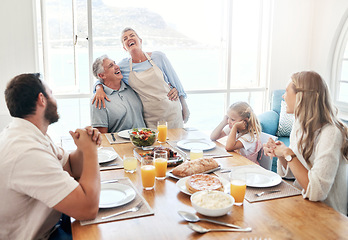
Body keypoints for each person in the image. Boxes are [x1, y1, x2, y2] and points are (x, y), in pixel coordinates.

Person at [0, 73, 102, 239]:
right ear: (42, 99)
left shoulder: (29, 133)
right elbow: (88, 209)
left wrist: (84, 147)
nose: (55, 100)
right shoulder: (26, 151)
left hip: (53, 227)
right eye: (52, 93)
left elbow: (69, 167)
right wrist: (91, 151)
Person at [263, 71, 348, 215]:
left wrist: (288, 153)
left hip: (328, 215)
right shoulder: (299, 123)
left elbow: (317, 192)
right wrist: (281, 153)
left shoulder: (331, 133)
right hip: (302, 203)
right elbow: (292, 175)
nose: (283, 97)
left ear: (301, 96)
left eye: (286, 91)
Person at [92, 27, 190, 129]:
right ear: (124, 48)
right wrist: (98, 88)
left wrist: (184, 107)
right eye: (125, 39)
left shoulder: (158, 57)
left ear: (140, 41)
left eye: (132, 35)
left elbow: (175, 82)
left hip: (173, 112)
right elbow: (105, 76)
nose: (129, 38)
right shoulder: (123, 66)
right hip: (150, 119)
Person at [91, 55, 146, 133]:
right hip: (119, 144)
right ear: (102, 75)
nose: (117, 66)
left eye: (114, 63)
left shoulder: (131, 86)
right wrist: (99, 88)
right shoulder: (99, 99)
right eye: (111, 66)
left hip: (145, 141)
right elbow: (102, 137)